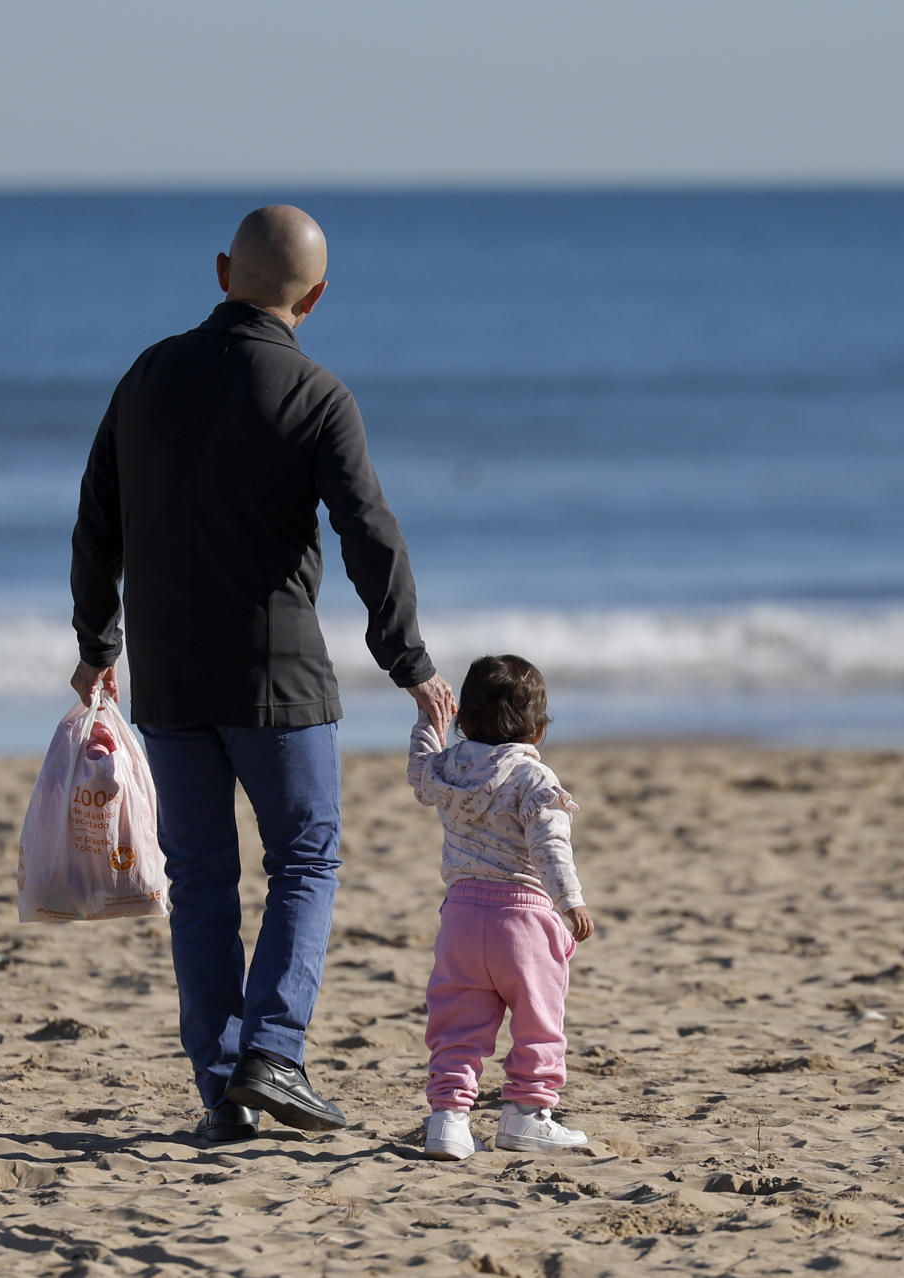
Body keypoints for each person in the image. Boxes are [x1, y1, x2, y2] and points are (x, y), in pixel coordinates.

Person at [69, 205, 456, 1144]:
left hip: (169, 680)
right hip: (280, 682)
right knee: (306, 861)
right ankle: (272, 1055)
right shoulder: (317, 394)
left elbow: (95, 524)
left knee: (201, 879)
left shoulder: (147, 376)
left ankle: (221, 1086)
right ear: (315, 297)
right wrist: (410, 663)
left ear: (220, 273)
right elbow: (370, 535)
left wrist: (97, 647)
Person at [406, 654, 594, 1159]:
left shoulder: (447, 769)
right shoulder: (534, 779)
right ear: (537, 731)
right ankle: (527, 1116)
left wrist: (430, 721)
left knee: (458, 1020)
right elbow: (550, 845)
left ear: (464, 720)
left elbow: (419, 769)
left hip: (462, 916)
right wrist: (569, 900)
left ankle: (448, 1119)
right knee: (538, 1019)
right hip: (524, 916)